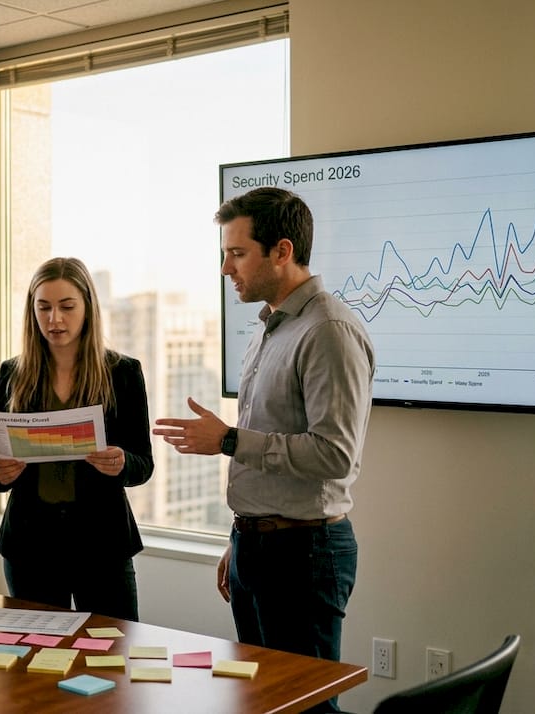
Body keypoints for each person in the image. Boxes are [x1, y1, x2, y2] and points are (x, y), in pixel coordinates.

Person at [153, 187, 374, 712]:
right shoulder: (271, 327)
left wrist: (228, 439)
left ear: (281, 251)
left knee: (306, 707)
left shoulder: (328, 330)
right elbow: (277, 442)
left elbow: (334, 454)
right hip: (261, 547)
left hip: (305, 555)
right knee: (262, 701)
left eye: (237, 253)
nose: (226, 268)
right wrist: (245, 534)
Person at [0, 257, 154, 621]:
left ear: (88, 308)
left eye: (66, 307)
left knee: (114, 657)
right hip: (30, 546)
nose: (54, 319)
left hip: (103, 546)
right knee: (36, 663)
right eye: (43, 307)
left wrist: (122, 462)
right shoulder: (12, 373)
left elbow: (143, 464)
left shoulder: (122, 373)